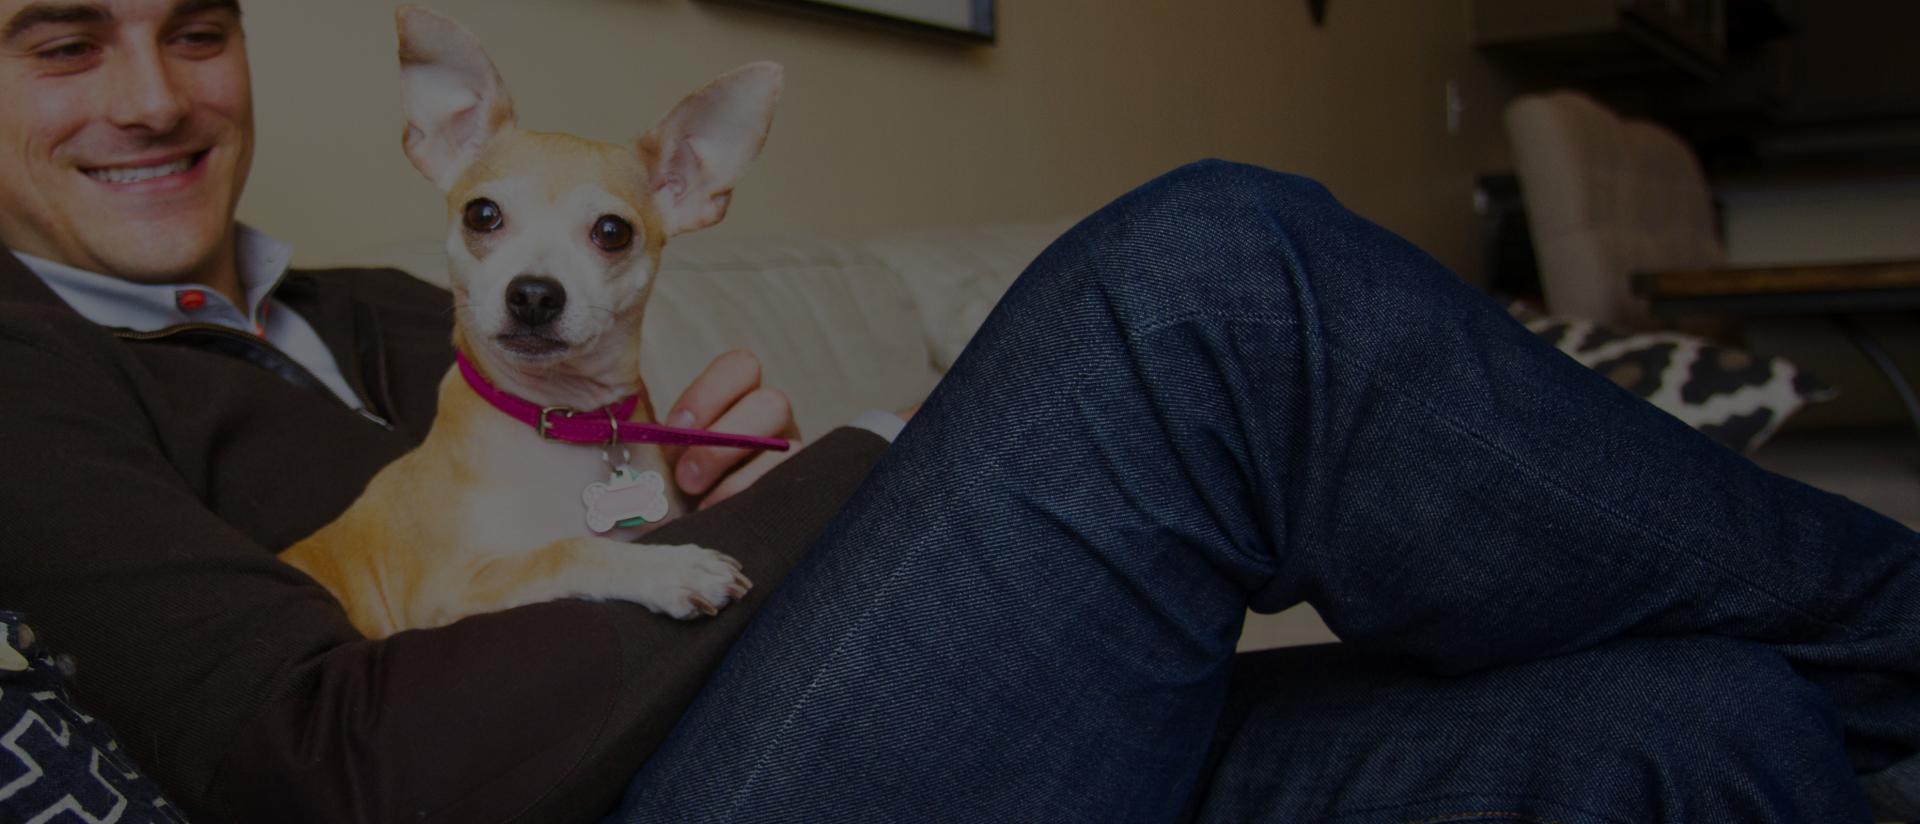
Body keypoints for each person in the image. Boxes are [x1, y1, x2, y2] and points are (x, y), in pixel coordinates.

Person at [0, 3, 1912, 824]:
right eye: (61, 41)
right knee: (1207, 286)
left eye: (196, 26)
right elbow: (336, 768)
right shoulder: (21, 374)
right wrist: (783, 520)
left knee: (1685, 729)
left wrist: (690, 477)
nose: (152, 91)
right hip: (644, 793)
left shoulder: (391, 300)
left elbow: (579, 491)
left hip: (765, 718)